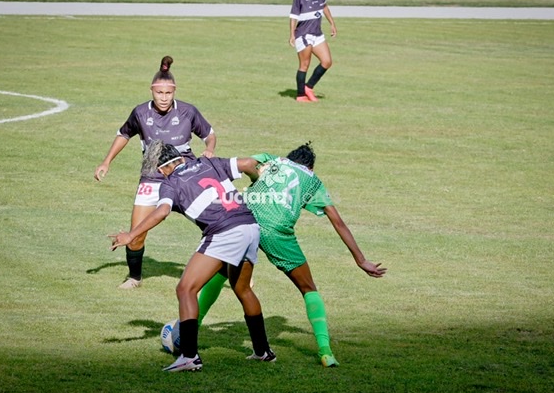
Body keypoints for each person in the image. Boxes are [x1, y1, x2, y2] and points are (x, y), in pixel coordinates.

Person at [197, 142, 386, 367]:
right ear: (310, 167)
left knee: (223, 272)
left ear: (290, 158)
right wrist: (361, 260)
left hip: (244, 221)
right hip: (276, 232)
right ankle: (325, 352)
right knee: (308, 288)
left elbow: (244, 165)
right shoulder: (313, 181)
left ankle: (188, 331)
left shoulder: (272, 160)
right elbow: (338, 222)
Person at [110, 141, 276, 372]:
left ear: (162, 168)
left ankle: (189, 357)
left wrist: (131, 235)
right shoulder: (209, 162)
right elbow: (249, 163)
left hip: (224, 232)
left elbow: (162, 211)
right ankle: (263, 351)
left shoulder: (170, 182)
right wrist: (258, 182)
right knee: (242, 288)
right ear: (179, 157)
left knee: (185, 289)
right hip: (249, 225)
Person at [94, 55, 216, 289]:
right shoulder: (140, 113)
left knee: (216, 224)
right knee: (136, 234)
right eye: (159, 93)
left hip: (185, 178)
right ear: (152, 90)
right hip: (152, 178)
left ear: (174, 91)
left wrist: (209, 148)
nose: (164, 97)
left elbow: (210, 134)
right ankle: (134, 278)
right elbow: (123, 134)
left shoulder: (188, 112)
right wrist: (106, 162)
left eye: (168, 93)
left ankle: (236, 269)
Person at [289, 0, 337, 103]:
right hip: (303, 34)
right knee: (304, 64)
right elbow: (293, 16)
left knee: (327, 62)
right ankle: (300, 95)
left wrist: (332, 23)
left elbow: (324, 7)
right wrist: (292, 35)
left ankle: (308, 87)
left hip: (317, 33)